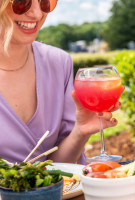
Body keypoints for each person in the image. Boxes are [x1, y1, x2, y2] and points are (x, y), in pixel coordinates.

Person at [0, 0, 122, 164]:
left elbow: (59, 168)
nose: (37, 14)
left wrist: (80, 131)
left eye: (44, 2)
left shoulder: (59, 63)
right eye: (22, 2)